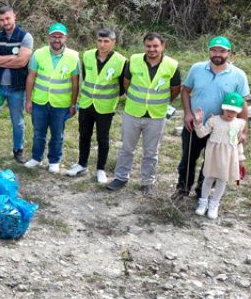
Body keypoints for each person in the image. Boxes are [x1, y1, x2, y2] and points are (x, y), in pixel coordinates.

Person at [106, 33, 181, 193]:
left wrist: (162, 102)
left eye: (155, 46)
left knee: (151, 152)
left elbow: (175, 89)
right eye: (148, 46)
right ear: (144, 46)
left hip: (156, 116)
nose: (152, 49)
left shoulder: (172, 65)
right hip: (133, 112)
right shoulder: (134, 60)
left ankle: (147, 182)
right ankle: (120, 177)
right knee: (126, 148)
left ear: (162, 46)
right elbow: (126, 83)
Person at [178, 36, 251, 199]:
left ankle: (201, 194)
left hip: (221, 128)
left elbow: (243, 104)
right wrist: (188, 113)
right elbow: (185, 90)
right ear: (209, 51)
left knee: (211, 164)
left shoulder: (238, 75)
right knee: (187, 159)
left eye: (222, 51)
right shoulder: (197, 68)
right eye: (214, 50)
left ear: (229, 53)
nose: (217, 54)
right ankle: (182, 190)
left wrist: (244, 130)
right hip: (195, 125)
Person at [67, 27, 126, 184]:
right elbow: (86, 77)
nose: (102, 44)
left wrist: (110, 97)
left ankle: (101, 169)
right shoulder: (87, 55)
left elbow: (122, 86)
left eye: (106, 41)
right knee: (84, 135)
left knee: (103, 138)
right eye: (100, 41)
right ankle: (81, 164)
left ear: (113, 42)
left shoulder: (121, 61)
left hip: (105, 106)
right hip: (86, 104)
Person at [23, 23, 80, 173]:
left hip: (61, 104)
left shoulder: (73, 57)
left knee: (57, 134)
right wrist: (28, 100)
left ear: (65, 38)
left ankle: (54, 160)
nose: (57, 40)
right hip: (40, 102)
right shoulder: (39, 54)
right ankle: (36, 158)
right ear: (49, 37)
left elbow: (75, 83)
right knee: (38, 133)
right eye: (54, 36)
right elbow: (31, 78)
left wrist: (73, 104)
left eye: (60, 37)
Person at [0, 4, 33, 162]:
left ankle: (18, 149)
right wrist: (12, 59)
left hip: (17, 88)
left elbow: (22, 62)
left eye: (8, 18)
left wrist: (0, 60)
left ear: (14, 16)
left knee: (17, 121)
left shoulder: (25, 37)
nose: (5, 22)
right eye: (2, 20)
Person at [193, 93, 247, 220]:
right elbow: (201, 134)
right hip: (213, 155)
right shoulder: (213, 120)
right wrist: (198, 123)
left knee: (222, 180)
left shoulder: (239, 124)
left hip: (228, 156)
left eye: (234, 111)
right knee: (208, 178)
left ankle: (214, 204)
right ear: (223, 107)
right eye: (228, 109)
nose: (230, 113)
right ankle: (203, 202)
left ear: (238, 112)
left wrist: (241, 158)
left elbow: (238, 143)